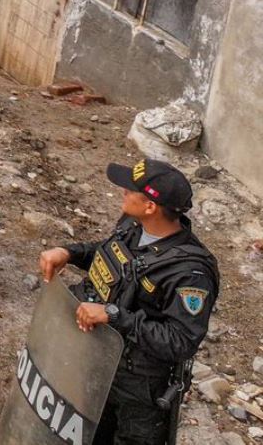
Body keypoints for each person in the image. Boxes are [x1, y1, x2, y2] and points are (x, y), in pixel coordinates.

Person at [37, 159, 220, 445]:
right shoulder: (133, 224)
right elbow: (113, 256)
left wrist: (113, 315)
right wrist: (70, 253)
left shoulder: (190, 274)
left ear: (150, 207)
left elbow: (181, 341)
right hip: (99, 360)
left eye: (130, 190)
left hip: (140, 386)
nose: (122, 190)